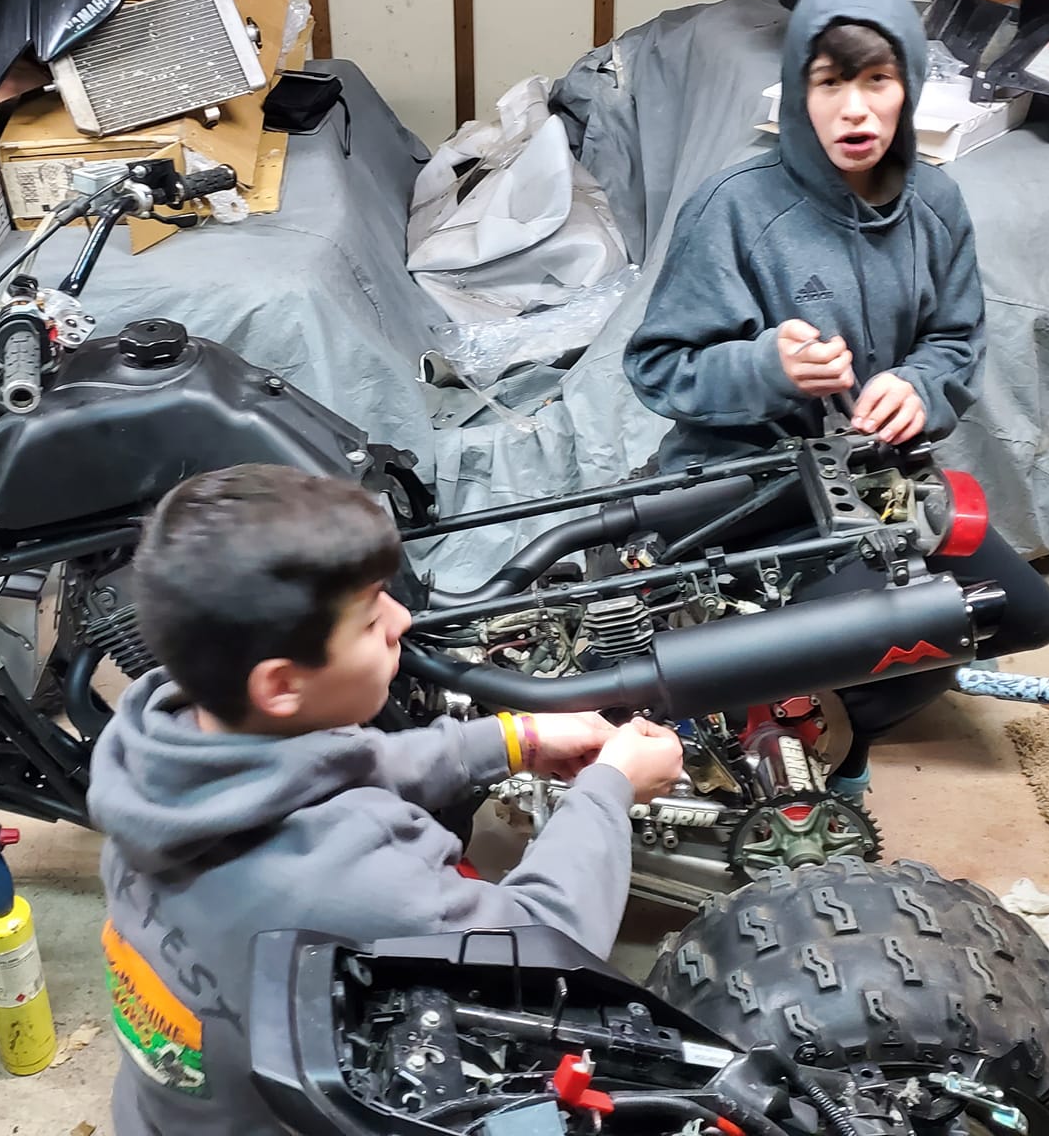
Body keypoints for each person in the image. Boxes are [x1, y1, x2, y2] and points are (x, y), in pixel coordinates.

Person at [88, 463, 687, 1136]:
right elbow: (547, 942)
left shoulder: (155, 748)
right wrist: (611, 790)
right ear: (281, 685)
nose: (402, 618)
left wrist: (510, 739)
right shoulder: (340, 881)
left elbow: (328, 765)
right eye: (373, 618)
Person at [623, 0, 1049, 792]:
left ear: (911, 89)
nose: (854, 109)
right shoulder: (736, 205)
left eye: (877, 80)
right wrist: (765, 366)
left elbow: (955, 337)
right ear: (797, 88)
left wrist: (920, 386)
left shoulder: (936, 201)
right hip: (745, 492)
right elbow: (658, 367)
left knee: (1028, 616)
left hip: (875, 482)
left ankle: (826, 705)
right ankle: (815, 739)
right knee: (910, 632)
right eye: (830, 83)